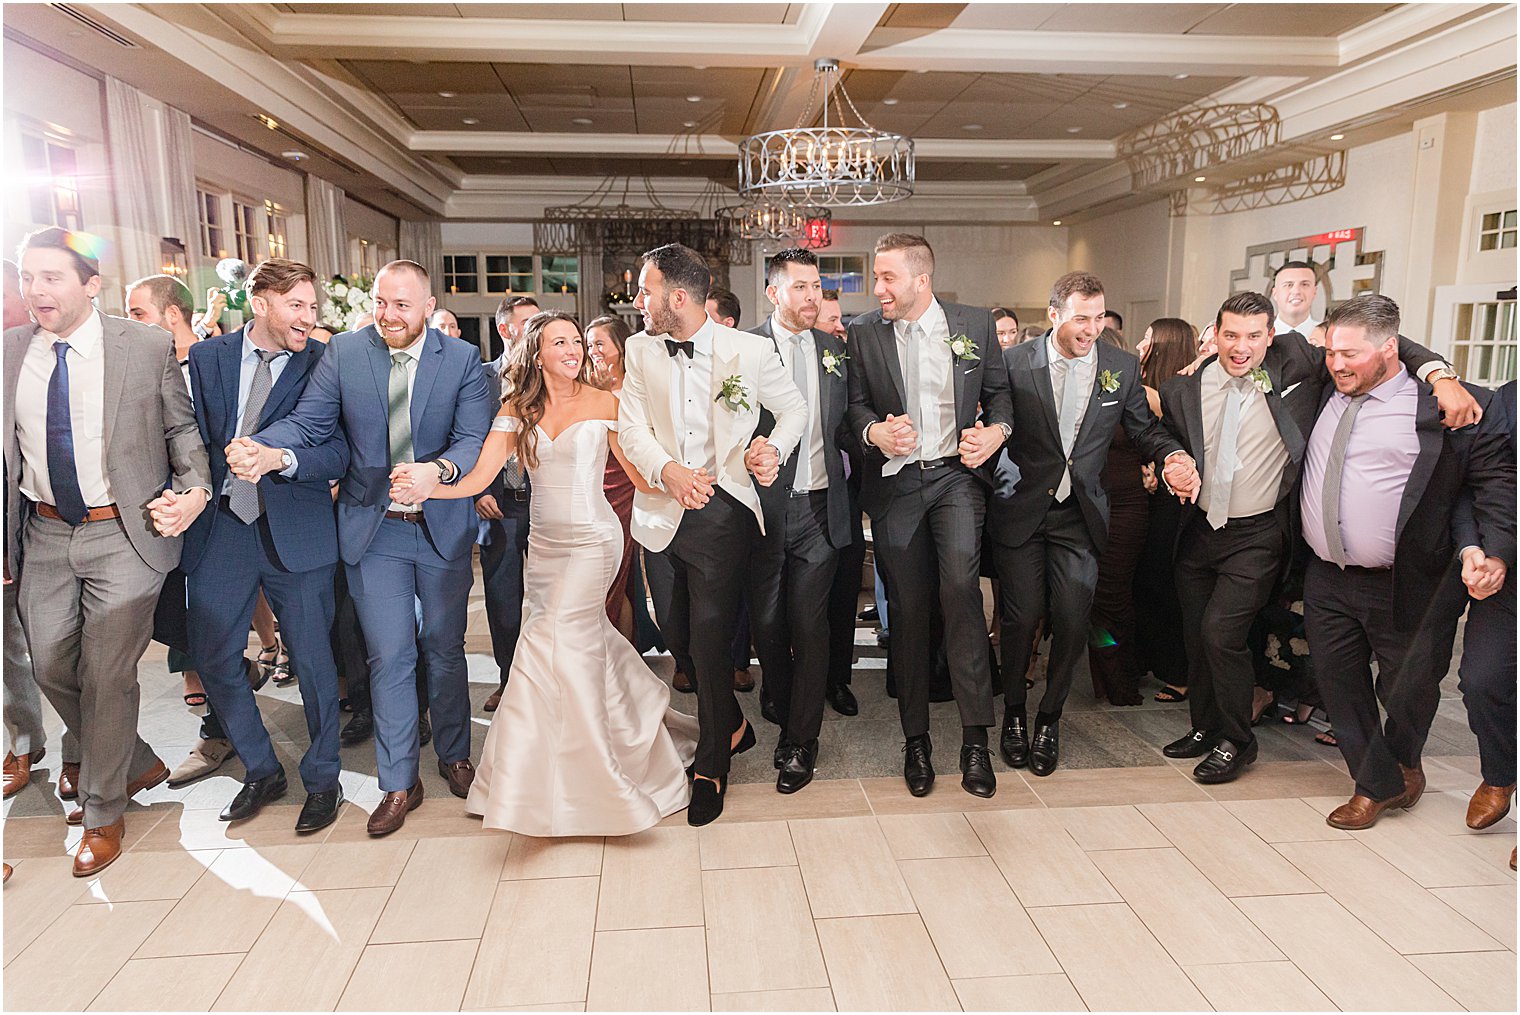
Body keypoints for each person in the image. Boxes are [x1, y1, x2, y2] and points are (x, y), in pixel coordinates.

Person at [392, 310, 698, 835]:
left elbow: (640, 477)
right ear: (537, 353)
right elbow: (478, 479)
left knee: (549, 642)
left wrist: (681, 480)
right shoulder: (516, 410)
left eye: (577, 342)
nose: (574, 350)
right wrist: (430, 489)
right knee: (574, 647)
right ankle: (570, 759)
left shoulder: (606, 403)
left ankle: (595, 780)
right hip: (546, 547)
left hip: (593, 541)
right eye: (561, 342)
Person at [230, 259, 492, 837]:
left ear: (427, 306)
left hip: (440, 523)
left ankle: (454, 754)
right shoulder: (345, 353)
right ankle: (399, 782)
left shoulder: (464, 362)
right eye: (380, 302)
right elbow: (309, 423)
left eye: (402, 305)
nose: (389, 315)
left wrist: (440, 471)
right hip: (374, 529)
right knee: (389, 655)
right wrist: (263, 446)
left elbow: (475, 438)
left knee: (445, 649)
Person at [6, 228, 212, 876]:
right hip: (42, 532)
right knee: (49, 668)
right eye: (28, 276)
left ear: (90, 284)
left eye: (52, 277)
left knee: (107, 672)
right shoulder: (9, 353)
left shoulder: (144, 345)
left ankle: (103, 810)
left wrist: (195, 490)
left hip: (123, 532)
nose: (36, 289)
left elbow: (182, 428)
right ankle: (135, 756)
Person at [618, 242, 808, 825]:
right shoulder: (639, 349)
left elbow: (794, 408)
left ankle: (712, 766)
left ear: (677, 296)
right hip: (662, 507)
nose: (637, 301)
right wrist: (668, 472)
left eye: (645, 290)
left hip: (724, 510)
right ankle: (734, 726)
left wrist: (771, 447)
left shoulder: (748, 351)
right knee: (677, 634)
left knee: (709, 636)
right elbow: (630, 427)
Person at [1300, 295, 1502, 830]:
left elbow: (1477, 490)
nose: (1338, 364)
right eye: (1331, 352)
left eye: (1351, 354)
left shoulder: (1440, 407)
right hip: (1326, 573)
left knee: (1409, 687)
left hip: (1407, 580)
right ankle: (1376, 786)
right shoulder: (1324, 388)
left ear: (1390, 350)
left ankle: (1406, 757)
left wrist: (1438, 376)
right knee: (1339, 683)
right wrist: (1437, 365)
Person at [988, 271, 1196, 777]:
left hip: (1079, 515)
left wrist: (1172, 456)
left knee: (1075, 617)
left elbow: (1144, 430)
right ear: (1055, 313)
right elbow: (994, 421)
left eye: (1099, 317)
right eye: (1081, 318)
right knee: (1019, 619)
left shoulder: (1120, 366)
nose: (1091, 329)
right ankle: (1014, 711)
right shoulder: (1015, 362)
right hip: (1022, 507)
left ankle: (1050, 718)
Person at [181, 257, 348, 831]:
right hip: (222, 527)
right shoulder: (208, 359)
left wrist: (287, 459)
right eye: (297, 305)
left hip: (296, 530)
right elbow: (191, 439)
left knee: (313, 660)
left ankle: (323, 778)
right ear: (261, 304)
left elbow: (338, 454)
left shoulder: (326, 362)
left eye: (313, 306)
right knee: (214, 656)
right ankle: (261, 767)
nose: (309, 317)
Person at [844, 233, 1012, 799]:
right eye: (876, 276)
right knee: (910, 613)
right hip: (897, 486)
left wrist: (997, 432)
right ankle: (915, 741)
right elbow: (854, 407)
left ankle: (975, 743)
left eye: (887, 277)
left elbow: (1001, 395)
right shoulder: (864, 332)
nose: (878, 288)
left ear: (922, 280)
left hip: (955, 479)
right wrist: (874, 431)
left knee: (963, 591)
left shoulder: (973, 324)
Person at [1156, 293, 1318, 783]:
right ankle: (1205, 728)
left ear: (1271, 335)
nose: (1241, 347)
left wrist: (1436, 373)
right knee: (1195, 634)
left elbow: (1378, 341)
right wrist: (1172, 463)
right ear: (1215, 334)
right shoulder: (1185, 387)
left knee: (1221, 633)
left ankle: (1237, 741)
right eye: (1230, 335)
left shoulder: (1299, 365)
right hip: (1200, 530)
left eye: (1253, 336)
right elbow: (1165, 437)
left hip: (1259, 532)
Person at [746, 248, 853, 794]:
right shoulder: (742, 349)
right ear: (774, 293)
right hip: (763, 509)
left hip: (820, 507)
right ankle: (782, 702)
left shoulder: (835, 350)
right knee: (767, 623)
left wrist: (873, 431)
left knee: (810, 624)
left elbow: (850, 417)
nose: (812, 297)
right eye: (801, 287)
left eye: (817, 286)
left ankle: (800, 741)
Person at [1453, 380, 1515, 844]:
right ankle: (1500, 774)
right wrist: (1485, 551)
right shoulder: (1506, 401)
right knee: (1480, 680)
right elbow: (1476, 486)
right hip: (1508, 569)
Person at [476, 295, 539, 712]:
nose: (537, 331)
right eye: (528, 323)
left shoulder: (550, 378)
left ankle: (545, 680)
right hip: (497, 502)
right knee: (502, 599)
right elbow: (465, 439)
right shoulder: (478, 380)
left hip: (545, 500)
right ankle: (507, 678)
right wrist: (477, 490)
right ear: (505, 330)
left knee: (552, 595)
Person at [1132, 318, 1195, 703]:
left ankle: (1177, 670)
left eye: (1148, 338)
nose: (1141, 344)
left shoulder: (1162, 394)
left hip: (1170, 499)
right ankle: (1151, 658)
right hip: (1149, 494)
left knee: (1161, 581)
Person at [1087, 327, 1149, 706]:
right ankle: (1109, 666)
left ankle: (1116, 664)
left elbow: (1153, 434)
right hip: (1088, 501)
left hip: (1128, 503)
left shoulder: (1134, 390)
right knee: (1095, 595)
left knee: (1116, 592)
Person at [586, 313, 640, 642]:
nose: (593, 350)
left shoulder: (637, 389)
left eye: (600, 343)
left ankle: (624, 660)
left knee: (615, 581)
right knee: (593, 583)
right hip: (590, 490)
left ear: (620, 347)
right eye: (588, 343)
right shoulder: (584, 388)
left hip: (623, 489)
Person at [1269, 261, 1321, 339]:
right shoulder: (1261, 336)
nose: (1296, 291)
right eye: (1289, 285)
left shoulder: (1328, 335)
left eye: (1304, 284)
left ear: (1314, 292)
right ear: (1275, 293)